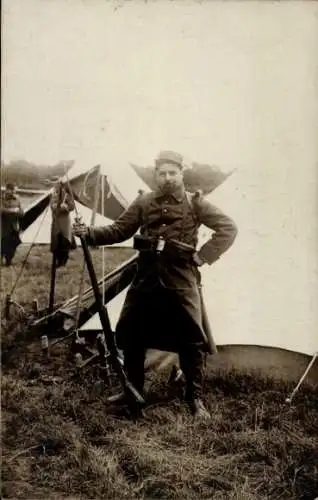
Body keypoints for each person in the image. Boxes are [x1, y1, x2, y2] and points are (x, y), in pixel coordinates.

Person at [73, 150, 238, 419]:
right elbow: (118, 230)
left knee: (191, 338)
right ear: (156, 175)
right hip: (146, 278)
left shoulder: (195, 203)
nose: (167, 178)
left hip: (181, 279)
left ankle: (194, 397)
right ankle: (133, 390)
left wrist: (203, 255)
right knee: (131, 332)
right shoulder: (143, 202)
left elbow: (228, 228)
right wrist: (89, 233)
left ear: (182, 173)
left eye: (173, 172)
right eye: (162, 173)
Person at [50, 180, 76, 267]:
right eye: (56, 186)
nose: (57, 187)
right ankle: (58, 260)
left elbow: (72, 206)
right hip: (56, 222)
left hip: (65, 222)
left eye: (58, 186)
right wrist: (56, 207)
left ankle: (63, 261)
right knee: (57, 242)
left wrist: (66, 207)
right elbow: (52, 206)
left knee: (64, 242)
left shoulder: (68, 196)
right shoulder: (54, 195)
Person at [1, 183, 24, 266]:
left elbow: (22, 213)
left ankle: (8, 261)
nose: (14, 191)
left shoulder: (17, 200)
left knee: (12, 244)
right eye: (12, 190)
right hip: (3, 226)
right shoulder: (2, 198)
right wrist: (12, 210)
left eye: (14, 190)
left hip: (14, 226)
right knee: (3, 243)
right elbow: (1, 210)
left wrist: (18, 212)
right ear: (8, 190)